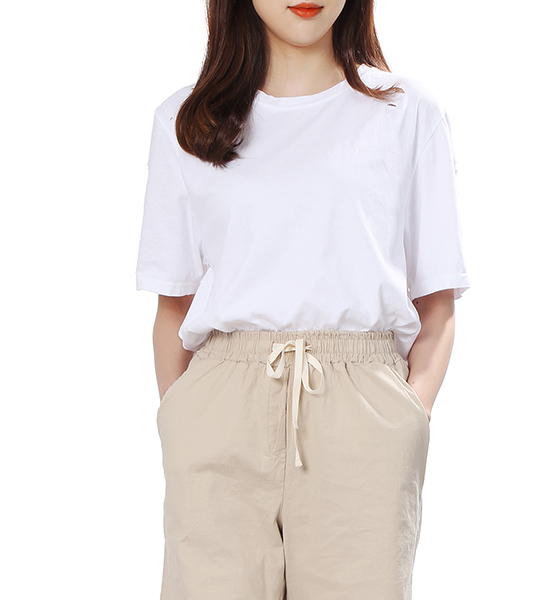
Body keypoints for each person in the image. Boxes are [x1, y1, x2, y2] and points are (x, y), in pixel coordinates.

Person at [135, 0, 470, 598]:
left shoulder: (407, 111)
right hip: (221, 402)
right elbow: (174, 305)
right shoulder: (185, 122)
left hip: (361, 411)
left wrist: (407, 414)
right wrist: (180, 419)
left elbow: (437, 301)